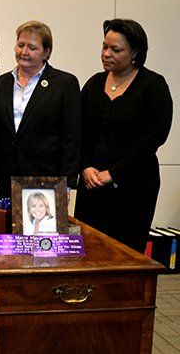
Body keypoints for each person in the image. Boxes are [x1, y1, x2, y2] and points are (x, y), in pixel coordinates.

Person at [74, 19, 173, 252]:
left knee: (125, 253)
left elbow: (155, 135)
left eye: (115, 50)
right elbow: (78, 131)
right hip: (92, 183)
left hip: (134, 185)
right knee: (88, 251)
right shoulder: (94, 83)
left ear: (135, 52)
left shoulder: (153, 85)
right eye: (104, 46)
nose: (106, 54)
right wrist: (85, 167)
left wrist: (114, 173)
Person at [0, 21, 81, 198]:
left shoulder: (64, 84)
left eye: (32, 47)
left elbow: (71, 138)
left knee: (40, 226)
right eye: (20, 45)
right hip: (7, 177)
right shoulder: (1, 83)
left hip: (46, 179)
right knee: (5, 225)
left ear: (47, 52)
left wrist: (66, 183)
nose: (24, 52)